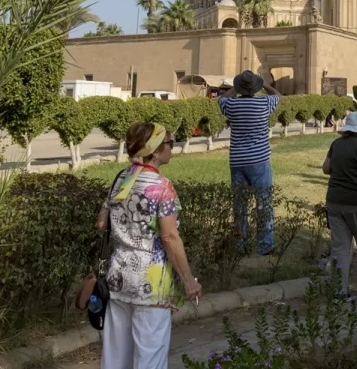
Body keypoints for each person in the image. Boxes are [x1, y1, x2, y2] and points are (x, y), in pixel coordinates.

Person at [99, 122, 201, 369]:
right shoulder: (161, 187)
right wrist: (188, 280)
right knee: (149, 357)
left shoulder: (121, 178)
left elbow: (102, 223)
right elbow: (169, 237)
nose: (172, 148)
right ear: (154, 151)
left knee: (114, 355)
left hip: (118, 276)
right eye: (169, 143)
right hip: (151, 283)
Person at [219, 70, 281, 255]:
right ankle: (265, 245)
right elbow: (278, 96)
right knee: (264, 203)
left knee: (240, 204)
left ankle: (241, 244)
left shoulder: (231, 105)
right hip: (259, 160)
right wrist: (265, 85)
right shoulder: (264, 102)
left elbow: (222, 98)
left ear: (240, 88)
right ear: (256, 87)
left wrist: (235, 88)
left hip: (237, 160)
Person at [321, 111, 357, 298]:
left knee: (340, 247)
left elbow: (326, 168)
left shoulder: (336, 144)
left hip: (334, 200)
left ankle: (339, 290)